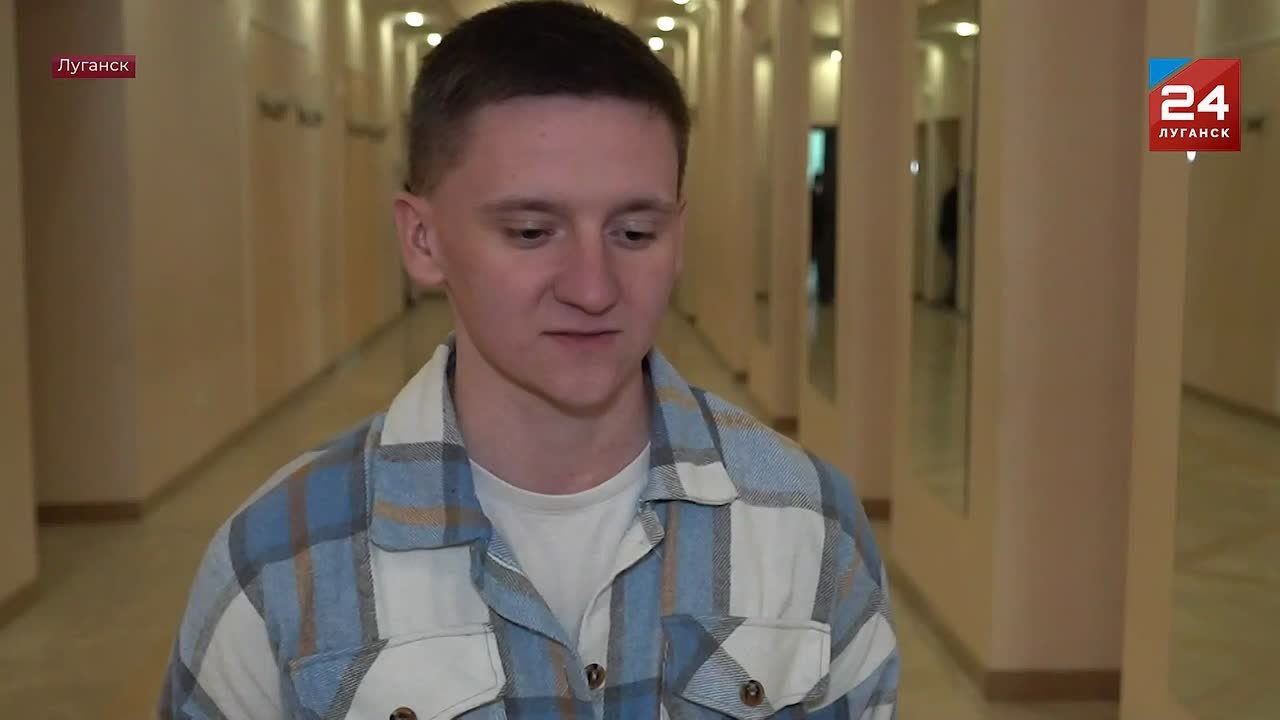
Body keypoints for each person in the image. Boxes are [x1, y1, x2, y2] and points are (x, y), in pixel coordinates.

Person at [158, 2, 899, 718]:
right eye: (531, 232)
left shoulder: (808, 523)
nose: (593, 288)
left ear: (677, 236)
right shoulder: (275, 561)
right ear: (422, 240)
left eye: (635, 233)